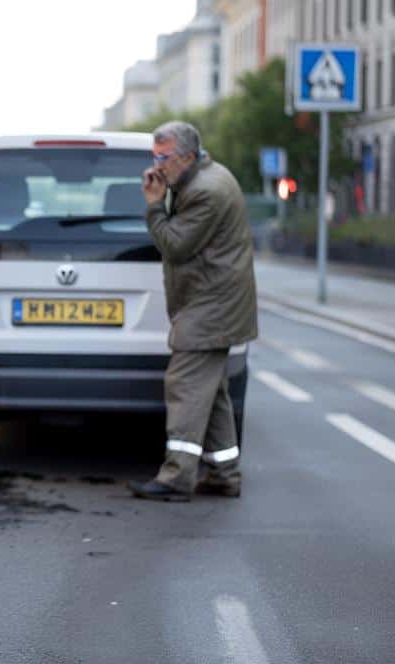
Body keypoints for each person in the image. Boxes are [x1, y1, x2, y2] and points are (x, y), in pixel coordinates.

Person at [128, 121, 258, 503]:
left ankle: (176, 477)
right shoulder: (200, 180)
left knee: (184, 384)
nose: (156, 165)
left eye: (163, 157)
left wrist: (155, 205)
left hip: (211, 306)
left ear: (186, 157)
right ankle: (223, 472)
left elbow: (175, 245)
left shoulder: (206, 191)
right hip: (212, 301)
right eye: (154, 156)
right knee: (211, 391)